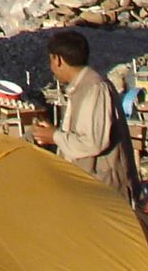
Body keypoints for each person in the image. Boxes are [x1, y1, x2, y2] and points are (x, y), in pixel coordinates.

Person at [32, 29, 137, 203]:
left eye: (51, 60)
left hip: (103, 191)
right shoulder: (80, 87)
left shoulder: (95, 88)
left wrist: (54, 136)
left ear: (57, 60)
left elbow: (93, 143)